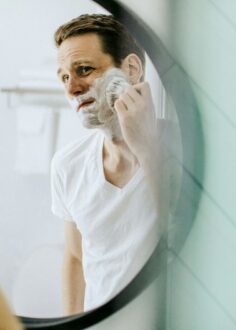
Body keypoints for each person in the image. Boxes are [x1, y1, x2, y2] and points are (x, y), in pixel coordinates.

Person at [51, 14, 167, 315]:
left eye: (84, 70)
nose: (71, 88)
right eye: (64, 77)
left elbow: (185, 230)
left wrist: (147, 148)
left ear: (131, 69)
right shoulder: (67, 165)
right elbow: (76, 257)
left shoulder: (182, 147)